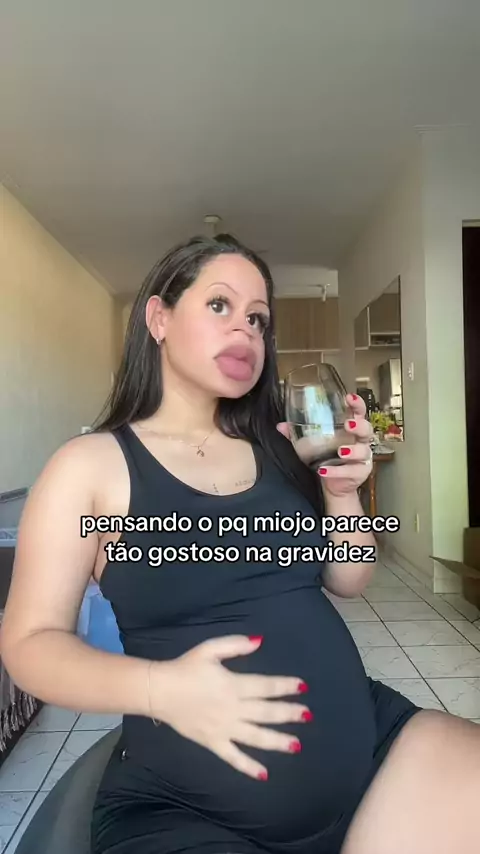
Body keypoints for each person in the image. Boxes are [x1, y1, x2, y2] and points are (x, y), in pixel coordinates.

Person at [1, 234, 479, 854]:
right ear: (159, 318)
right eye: (220, 305)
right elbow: (29, 644)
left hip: (372, 752)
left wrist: (341, 494)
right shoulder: (89, 466)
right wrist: (160, 689)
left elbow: (348, 577)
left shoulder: (278, 449)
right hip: (187, 810)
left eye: (258, 319)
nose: (246, 330)